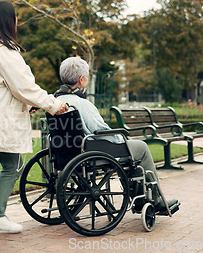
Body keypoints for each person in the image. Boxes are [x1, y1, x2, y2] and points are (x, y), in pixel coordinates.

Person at [0, 1, 69, 238]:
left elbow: (12, 88)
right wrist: (52, 105)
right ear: (8, 21)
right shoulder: (2, 52)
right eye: (16, 17)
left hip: (0, 120)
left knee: (13, 166)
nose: (18, 21)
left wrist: (30, 103)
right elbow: (24, 87)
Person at [54, 56, 179, 214]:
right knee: (140, 147)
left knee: (130, 151)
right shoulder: (82, 103)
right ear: (81, 79)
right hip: (92, 151)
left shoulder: (54, 101)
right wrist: (121, 139)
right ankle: (154, 200)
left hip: (66, 151)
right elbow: (99, 129)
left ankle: (141, 199)